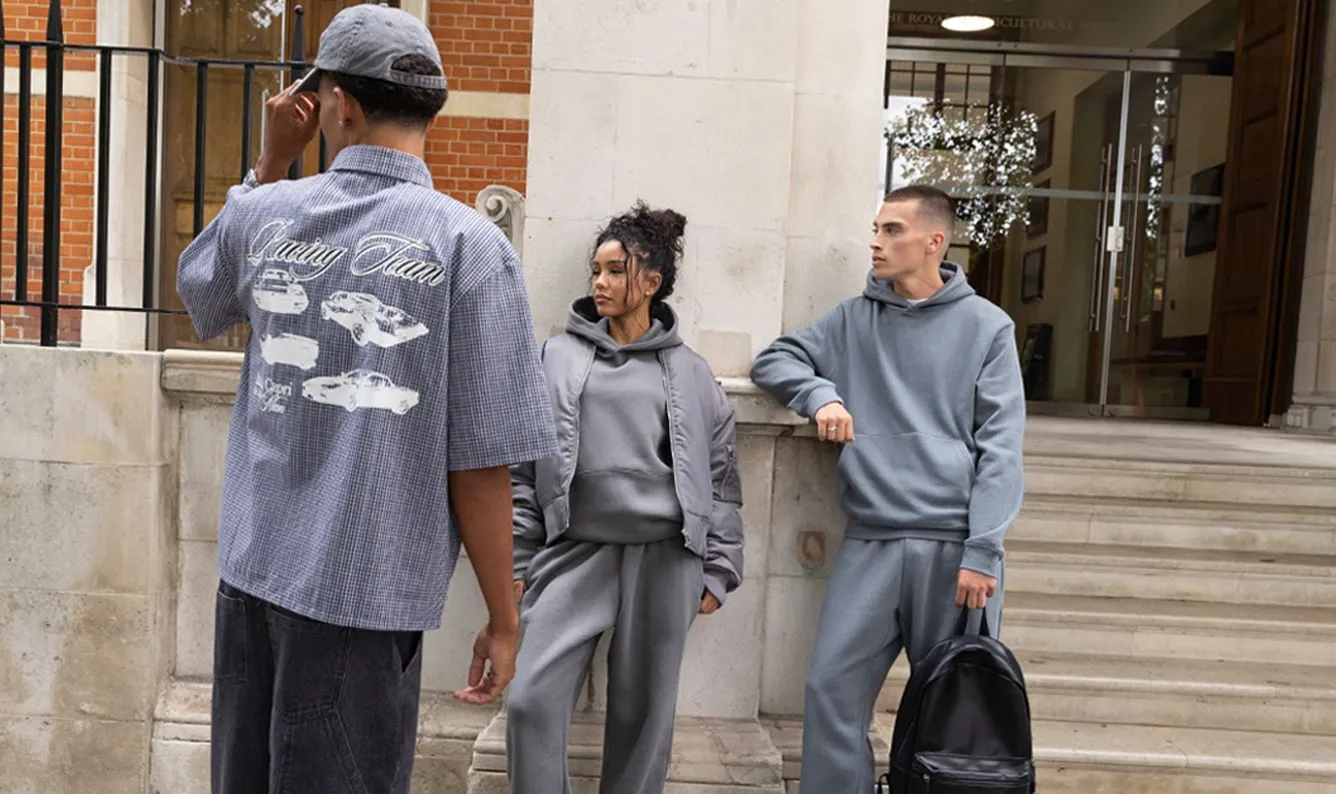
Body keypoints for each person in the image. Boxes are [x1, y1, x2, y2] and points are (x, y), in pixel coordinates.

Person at [175, 6, 557, 793]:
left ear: (338, 104)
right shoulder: (471, 247)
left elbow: (200, 297)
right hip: (364, 599)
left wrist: (269, 162)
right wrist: (504, 616)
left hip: (253, 580)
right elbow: (481, 463)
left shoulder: (267, 213)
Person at [750, 184, 1025, 793]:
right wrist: (821, 395)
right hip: (872, 540)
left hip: (955, 548)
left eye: (892, 230)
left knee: (954, 710)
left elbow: (1002, 450)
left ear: (934, 241)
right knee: (830, 690)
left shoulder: (988, 327)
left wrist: (984, 549)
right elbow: (775, 360)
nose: (875, 242)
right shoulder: (853, 320)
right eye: (875, 229)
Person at [504, 202, 745, 794]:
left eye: (616, 271)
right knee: (529, 702)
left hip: (665, 558)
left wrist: (720, 567)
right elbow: (522, 465)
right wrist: (516, 558)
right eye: (597, 271)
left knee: (644, 723)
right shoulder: (555, 356)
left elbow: (720, 479)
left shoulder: (691, 371)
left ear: (652, 281)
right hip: (573, 551)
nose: (601, 283)